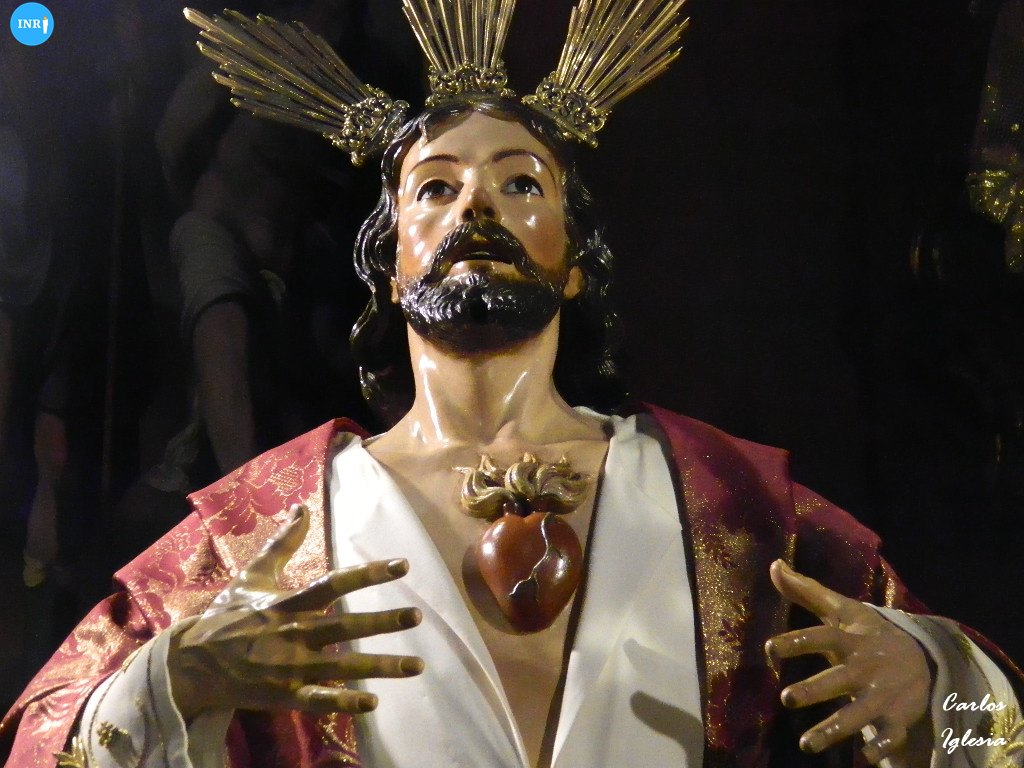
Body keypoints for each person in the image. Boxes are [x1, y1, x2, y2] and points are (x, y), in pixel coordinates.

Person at [4, 4, 1024, 768]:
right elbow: (46, 737)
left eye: (521, 182)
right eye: (436, 187)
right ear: (388, 265)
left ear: (575, 262)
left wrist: (935, 681)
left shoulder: (732, 503)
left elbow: (995, 720)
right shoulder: (266, 527)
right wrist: (175, 680)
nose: (475, 207)